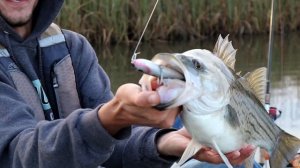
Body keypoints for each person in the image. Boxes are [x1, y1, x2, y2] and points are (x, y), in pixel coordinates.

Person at [0, 0, 254, 167]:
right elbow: (17, 155)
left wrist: (165, 143)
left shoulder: (73, 47)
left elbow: (112, 149)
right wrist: (111, 117)